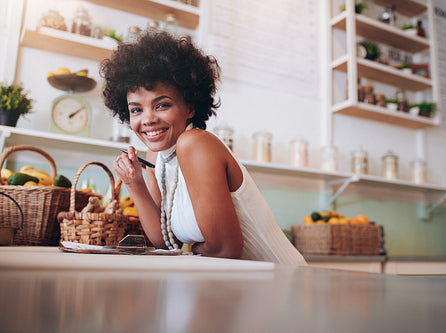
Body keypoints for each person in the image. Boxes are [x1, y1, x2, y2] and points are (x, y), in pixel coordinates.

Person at [100, 30, 306, 265]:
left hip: (282, 285)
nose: (147, 119)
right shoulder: (156, 157)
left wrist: (191, 248)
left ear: (189, 107)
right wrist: (133, 183)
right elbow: (165, 242)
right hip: (232, 287)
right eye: (136, 109)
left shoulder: (196, 143)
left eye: (162, 105)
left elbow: (225, 250)